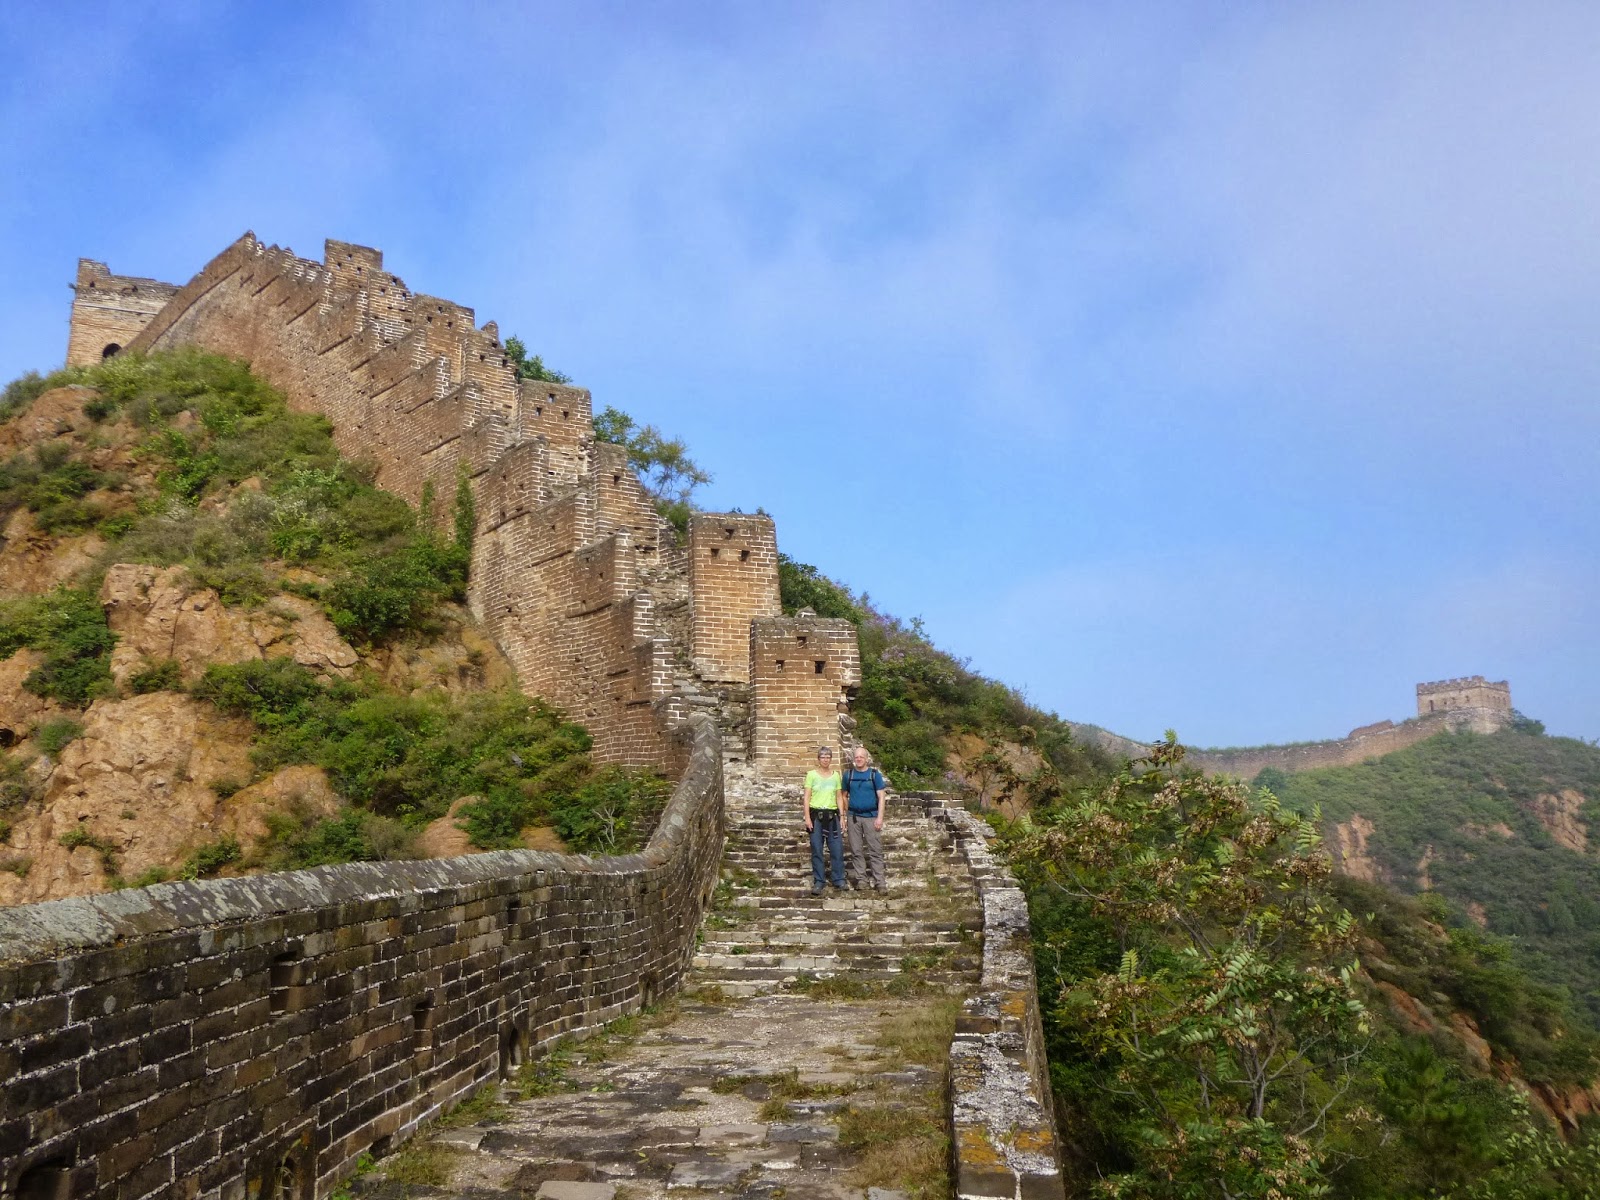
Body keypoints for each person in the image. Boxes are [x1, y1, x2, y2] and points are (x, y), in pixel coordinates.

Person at [841, 746, 890, 892]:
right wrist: (848, 811)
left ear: (866, 759)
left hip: (871, 817)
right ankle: (861, 880)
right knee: (856, 850)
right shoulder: (848, 775)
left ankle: (880, 882)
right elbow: (843, 795)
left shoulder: (874, 775)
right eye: (856, 757)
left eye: (861, 757)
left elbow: (881, 797)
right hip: (854, 817)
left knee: (875, 850)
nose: (859, 759)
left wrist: (880, 817)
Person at [803, 746, 845, 897]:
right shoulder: (811, 775)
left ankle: (839, 879)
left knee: (837, 849)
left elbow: (839, 797)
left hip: (833, 816)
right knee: (817, 849)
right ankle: (819, 881)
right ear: (818, 759)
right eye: (823, 757)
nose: (825, 760)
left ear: (831, 759)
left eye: (828, 757)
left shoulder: (836, 776)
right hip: (816, 816)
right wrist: (807, 817)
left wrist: (842, 816)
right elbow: (807, 797)